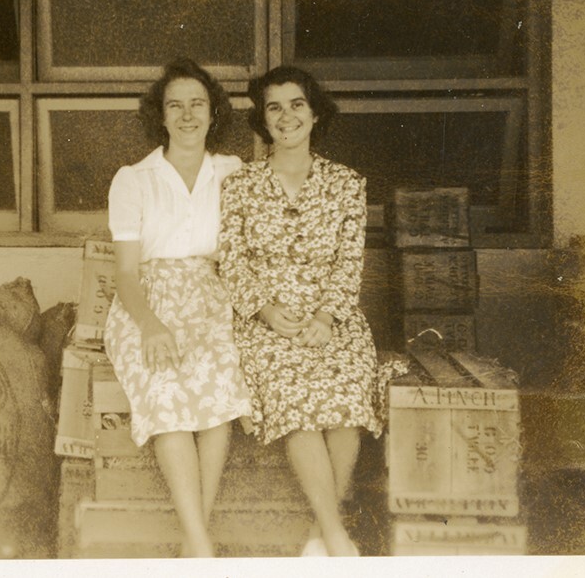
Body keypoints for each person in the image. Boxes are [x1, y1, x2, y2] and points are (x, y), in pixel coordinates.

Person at [218, 65, 407, 557]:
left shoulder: (346, 184)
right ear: (263, 119)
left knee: (346, 400)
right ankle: (337, 536)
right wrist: (263, 311)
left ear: (315, 111)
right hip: (266, 324)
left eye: (296, 103)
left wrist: (326, 318)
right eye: (274, 107)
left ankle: (321, 535)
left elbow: (350, 262)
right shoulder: (241, 185)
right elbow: (233, 261)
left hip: (332, 320)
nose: (286, 116)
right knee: (297, 399)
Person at [102, 58, 254, 558]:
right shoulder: (134, 179)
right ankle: (203, 550)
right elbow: (125, 273)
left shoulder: (233, 173)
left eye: (197, 105)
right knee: (165, 393)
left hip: (210, 295)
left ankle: (194, 546)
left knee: (217, 396)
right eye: (175, 105)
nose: (187, 115)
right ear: (160, 116)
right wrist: (149, 326)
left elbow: (242, 249)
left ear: (213, 114)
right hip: (146, 298)